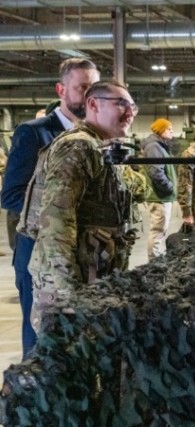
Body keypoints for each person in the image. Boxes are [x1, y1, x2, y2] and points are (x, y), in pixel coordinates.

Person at [0, 58, 99, 359]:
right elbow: (11, 194)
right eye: (82, 87)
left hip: (79, 251)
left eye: (93, 88)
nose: (89, 95)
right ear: (61, 89)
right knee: (40, 343)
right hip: (38, 252)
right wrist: (61, 213)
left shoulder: (93, 137)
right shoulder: (35, 133)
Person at [22, 80, 138, 334]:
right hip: (72, 284)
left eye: (132, 107)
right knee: (66, 361)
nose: (129, 112)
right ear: (93, 104)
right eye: (121, 104)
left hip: (94, 276)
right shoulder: (79, 146)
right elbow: (55, 221)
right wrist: (69, 293)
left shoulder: (102, 147)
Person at [141, 118, 177, 259]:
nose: (172, 131)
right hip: (159, 196)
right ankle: (154, 264)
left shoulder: (159, 145)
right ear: (161, 130)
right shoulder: (154, 146)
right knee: (157, 231)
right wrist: (169, 188)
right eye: (169, 129)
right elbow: (156, 172)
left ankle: (155, 260)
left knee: (160, 231)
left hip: (161, 196)